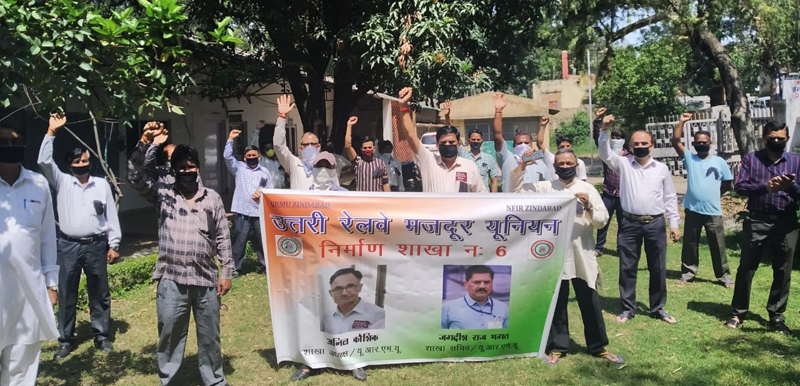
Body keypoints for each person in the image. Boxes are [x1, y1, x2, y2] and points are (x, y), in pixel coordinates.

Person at [127, 124, 234, 386]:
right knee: (169, 335)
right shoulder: (163, 195)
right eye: (181, 167)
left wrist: (227, 272)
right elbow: (134, 174)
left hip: (206, 280)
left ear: (198, 167)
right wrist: (146, 142)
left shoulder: (212, 199)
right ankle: (169, 380)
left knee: (210, 337)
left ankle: (214, 380)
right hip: (172, 280)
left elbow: (222, 236)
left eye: (191, 166)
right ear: (174, 170)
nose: (186, 171)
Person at [510, 148, 623, 366]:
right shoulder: (546, 188)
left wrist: (588, 205)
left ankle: (598, 346)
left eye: (568, 163)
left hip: (581, 253)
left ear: (576, 165)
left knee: (590, 302)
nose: (564, 167)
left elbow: (601, 221)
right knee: (557, 303)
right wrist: (523, 166)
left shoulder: (587, 188)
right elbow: (514, 192)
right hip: (553, 255)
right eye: (560, 164)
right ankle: (559, 346)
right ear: (554, 167)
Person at [37, 114, 121, 360]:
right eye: (77, 160)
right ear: (69, 164)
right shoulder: (61, 181)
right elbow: (43, 160)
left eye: (85, 160)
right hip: (68, 246)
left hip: (96, 245)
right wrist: (51, 132)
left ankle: (101, 335)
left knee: (100, 291)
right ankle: (65, 339)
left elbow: (111, 217)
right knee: (67, 292)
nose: (83, 163)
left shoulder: (100, 184)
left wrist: (113, 244)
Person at [598, 115, 680, 325]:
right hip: (629, 223)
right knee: (627, 266)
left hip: (655, 223)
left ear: (651, 146)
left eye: (645, 143)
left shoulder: (661, 169)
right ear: (630, 147)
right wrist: (604, 131)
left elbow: (670, 197)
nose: (641, 146)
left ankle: (658, 307)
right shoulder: (623, 164)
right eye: (637, 144)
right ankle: (628, 308)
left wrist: (674, 223)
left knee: (658, 267)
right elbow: (605, 154)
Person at [726, 122, 800, 334]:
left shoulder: (795, 162)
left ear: (786, 138)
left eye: (781, 138)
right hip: (757, 220)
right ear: (764, 136)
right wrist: (765, 187)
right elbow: (740, 187)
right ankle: (738, 312)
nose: (777, 141)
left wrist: (790, 186)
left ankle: (776, 315)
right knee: (747, 267)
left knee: (783, 270)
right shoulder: (752, 159)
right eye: (772, 138)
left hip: (786, 222)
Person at [0, 125, 59, 386]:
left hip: (27, 291)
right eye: (4, 142)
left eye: (16, 142)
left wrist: (51, 284)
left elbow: (47, 238)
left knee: (21, 363)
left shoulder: (38, 183)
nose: (11, 147)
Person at [671, 113, 733, 288]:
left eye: (704, 142)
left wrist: (716, 195)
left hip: (713, 211)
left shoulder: (719, 161)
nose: (701, 144)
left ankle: (724, 277)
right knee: (690, 243)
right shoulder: (690, 159)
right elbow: (675, 142)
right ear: (694, 144)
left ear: (710, 143)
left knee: (718, 245)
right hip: (692, 209)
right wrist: (681, 121)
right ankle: (688, 273)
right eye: (698, 142)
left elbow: (728, 183)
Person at [394, 87, 486, 193]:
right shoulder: (428, 161)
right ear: (437, 145)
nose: (447, 144)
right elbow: (410, 135)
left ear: (458, 144)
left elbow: (482, 196)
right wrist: (403, 106)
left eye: (451, 142)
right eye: (443, 142)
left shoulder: (469, 167)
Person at [225, 129, 273, 277]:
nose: (251, 158)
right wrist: (230, 139)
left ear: (259, 157)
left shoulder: (264, 172)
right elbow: (227, 157)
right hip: (242, 210)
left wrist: (262, 193)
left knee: (261, 239)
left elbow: (269, 188)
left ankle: (264, 266)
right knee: (240, 239)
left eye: (254, 156)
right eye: (249, 156)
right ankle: (236, 268)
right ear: (244, 158)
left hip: (259, 211)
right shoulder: (238, 168)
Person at [492, 93, 552, 190]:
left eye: (526, 143)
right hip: (509, 204)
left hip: (532, 205)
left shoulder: (541, 165)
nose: (523, 146)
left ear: (531, 145)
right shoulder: (508, 158)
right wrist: (498, 111)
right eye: (519, 143)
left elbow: (548, 189)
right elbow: (497, 135)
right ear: (514, 146)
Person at [592, 108, 628, 256]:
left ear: (624, 140)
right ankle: (599, 247)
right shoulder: (607, 153)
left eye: (619, 137)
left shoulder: (629, 155)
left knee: (623, 223)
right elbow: (598, 137)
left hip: (623, 195)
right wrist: (598, 120)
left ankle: (621, 248)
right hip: (608, 192)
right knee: (603, 221)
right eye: (613, 136)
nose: (616, 139)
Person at [273, 95, 321, 190]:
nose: (309, 147)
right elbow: (279, 146)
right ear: (300, 148)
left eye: (313, 144)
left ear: (318, 147)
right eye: (306, 145)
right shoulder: (294, 163)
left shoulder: (326, 165)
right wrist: (282, 118)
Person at [441, 265, 509, 329]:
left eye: (487, 282)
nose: (482, 286)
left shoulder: (503, 308)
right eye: (477, 282)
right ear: (465, 284)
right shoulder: (448, 308)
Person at [320, 268, 386, 334]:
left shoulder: (378, 314)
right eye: (338, 289)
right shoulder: (326, 317)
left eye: (350, 286)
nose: (344, 293)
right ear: (331, 293)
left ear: (359, 288)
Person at [344, 116, 390, 192]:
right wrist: (349, 125)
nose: (367, 150)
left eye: (369, 147)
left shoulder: (381, 163)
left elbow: (385, 184)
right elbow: (348, 146)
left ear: (374, 149)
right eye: (365, 148)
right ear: (361, 149)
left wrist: (389, 200)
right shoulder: (357, 162)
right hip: (362, 201)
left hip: (377, 200)